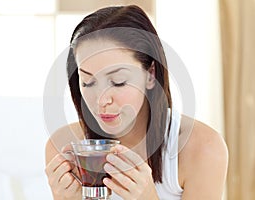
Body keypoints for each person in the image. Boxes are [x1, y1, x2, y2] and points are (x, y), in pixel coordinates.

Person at [45, 5, 228, 200]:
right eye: (88, 82)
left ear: (150, 75)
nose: (102, 100)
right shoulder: (65, 148)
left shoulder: (202, 149)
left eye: (118, 82)